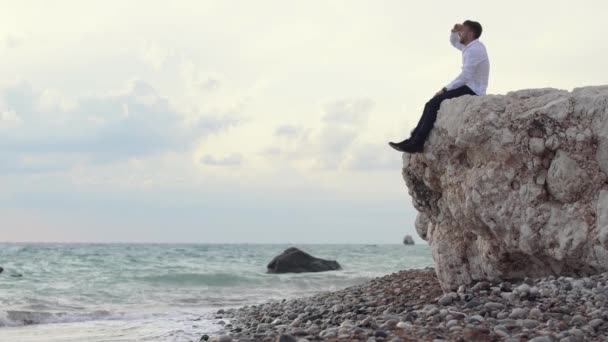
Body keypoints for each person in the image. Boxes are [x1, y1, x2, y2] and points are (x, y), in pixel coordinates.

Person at [389, 20, 490, 153]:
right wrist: (454, 31)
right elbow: (454, 42)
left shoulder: (475, 50)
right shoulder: (470, 46)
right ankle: (412, 141)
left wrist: (445, 89)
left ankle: (416, 143)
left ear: (470, 34)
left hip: (473, 90)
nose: (460, 33)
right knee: (431, 104)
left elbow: (465, 75)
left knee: (432, 104)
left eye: (463, 31)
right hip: (469, 86)